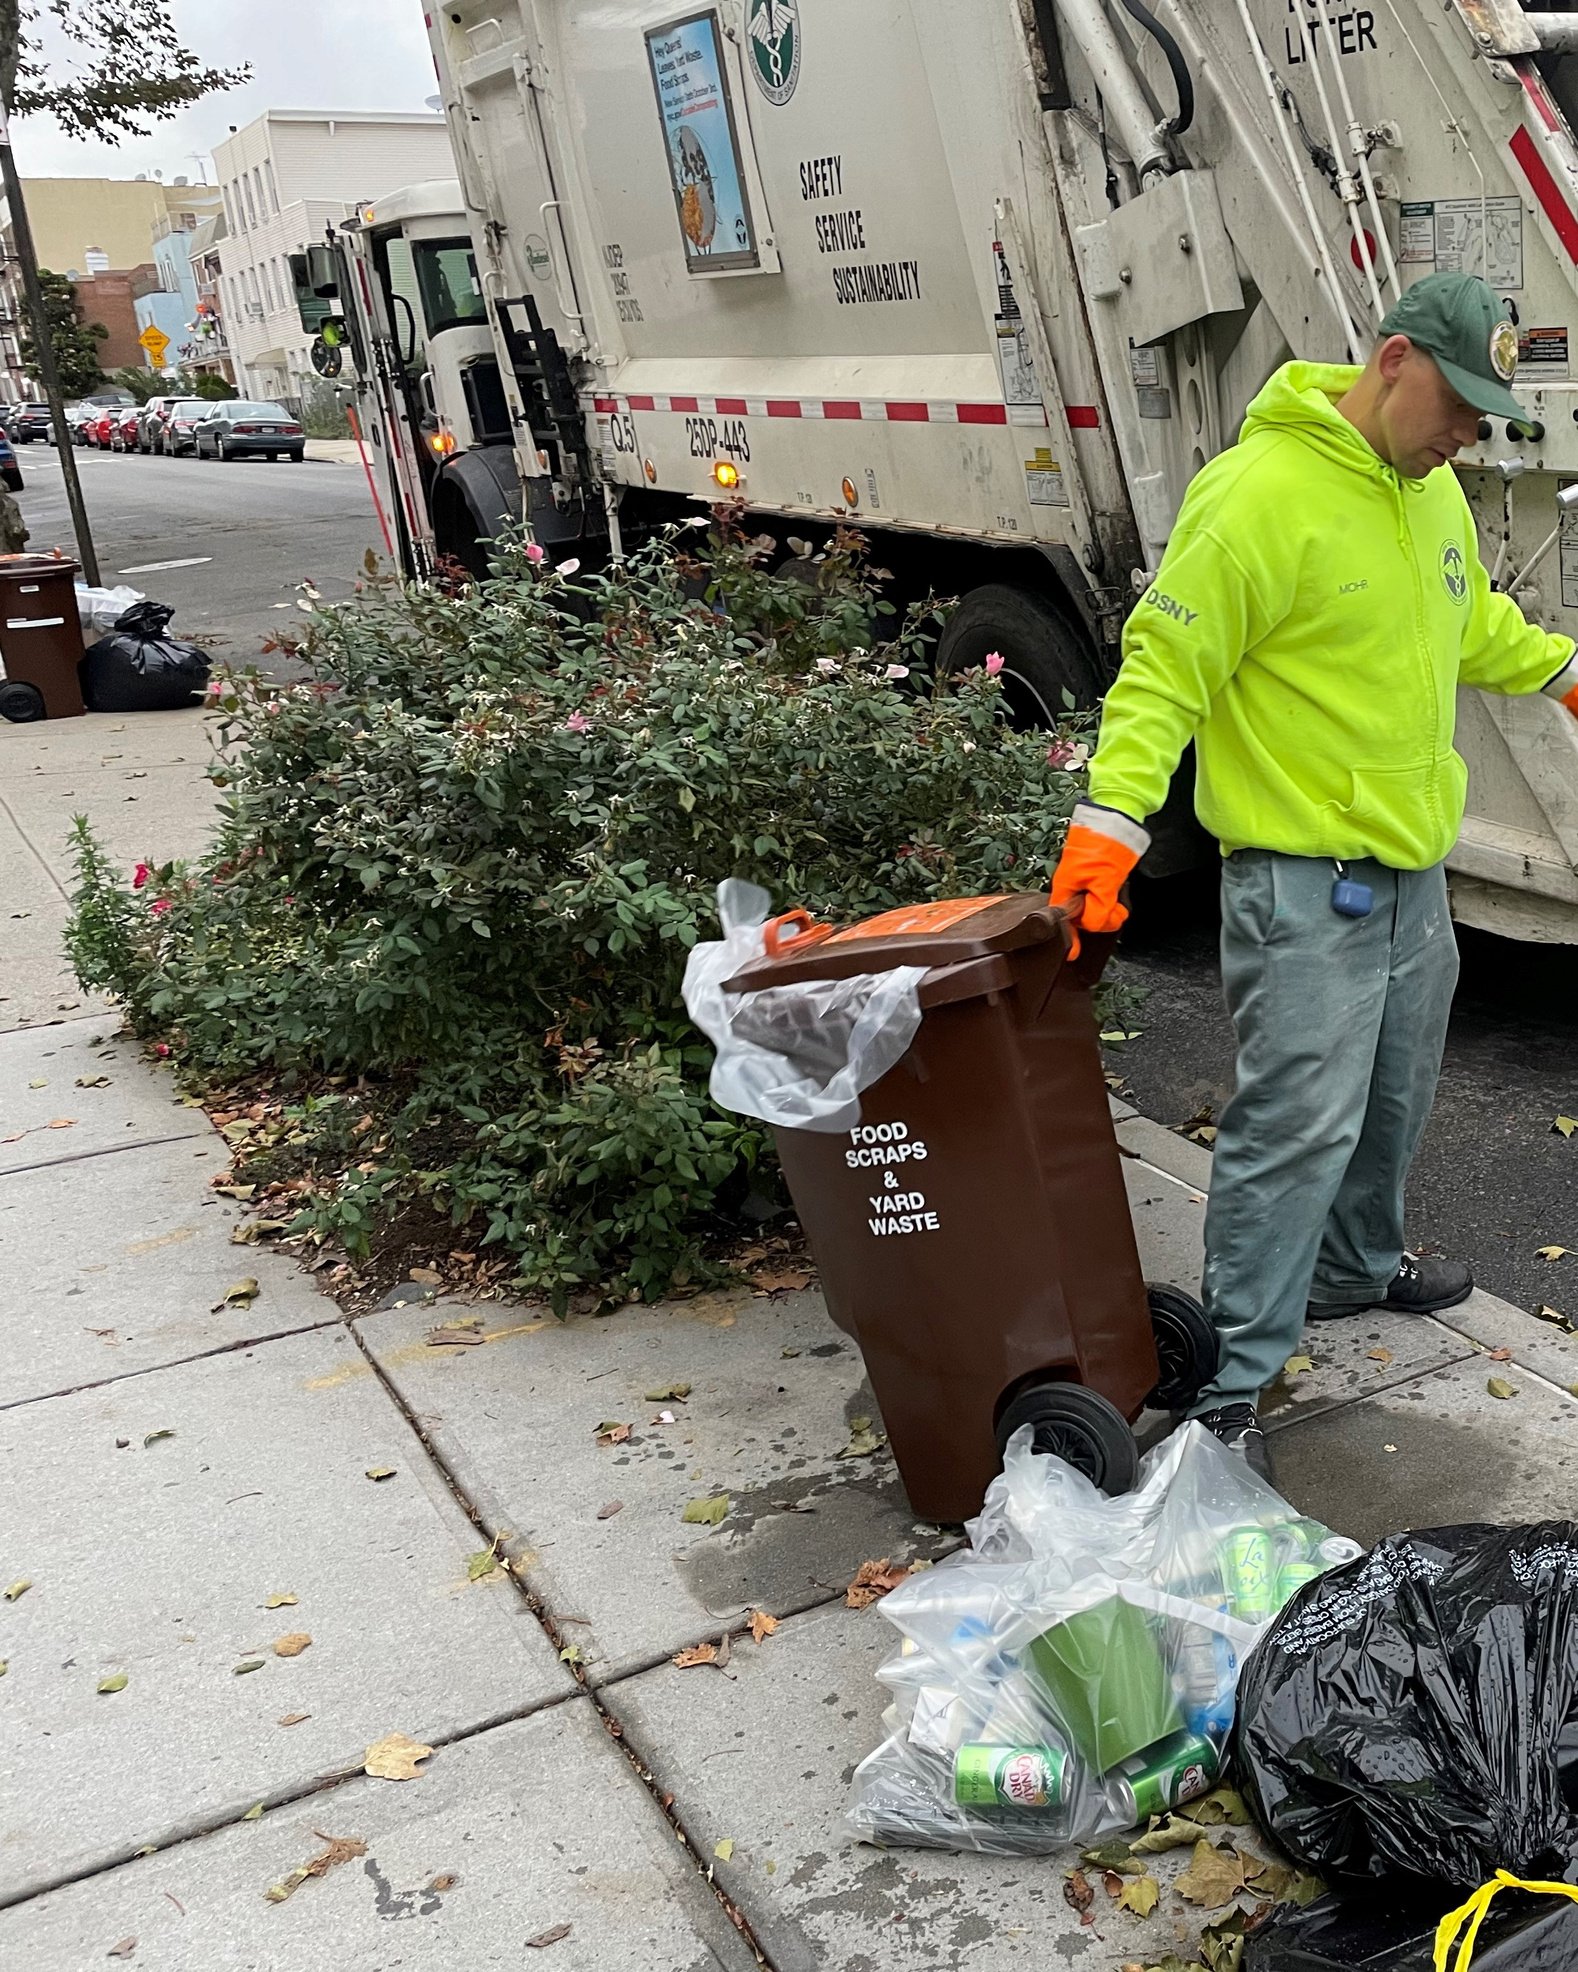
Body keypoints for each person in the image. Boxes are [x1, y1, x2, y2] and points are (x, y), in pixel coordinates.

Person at [1049, 271, 1578, 1483]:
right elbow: (1161, 674)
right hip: (1301, 886)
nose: (1469, 436)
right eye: (1458, 404)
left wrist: (1563, 670)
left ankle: (1353, 1266)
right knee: (1292, 1130)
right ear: (1393, 360)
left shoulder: (1426, 491)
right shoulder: (1257, 497)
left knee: (1393, 1099)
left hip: (1410, 875)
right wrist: (1107, 833)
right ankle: (1227, 1383)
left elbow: (1469, 622)